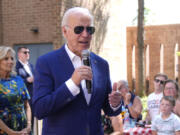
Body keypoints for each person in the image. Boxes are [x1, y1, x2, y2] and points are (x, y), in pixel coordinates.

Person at [32, 7, 122, 135]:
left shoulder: (101, 64)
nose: (85, 34)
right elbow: (39, 109)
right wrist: (72, 84)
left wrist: (115, 103)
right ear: (65, 31)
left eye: (89, 29)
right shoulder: (46, 62)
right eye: (79, 29)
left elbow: (109, 109)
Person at [0, 46, 31, 134]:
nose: (10, 61)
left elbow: (27, 106)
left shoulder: (18, 79)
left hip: (23, 130)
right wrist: (11, 132)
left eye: (12, 58)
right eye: (6, 58)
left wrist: (29, 126)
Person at [16, 46, 34, 131]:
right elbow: (15, 80)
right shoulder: (16, 66)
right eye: (25, 52)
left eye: (28, 52)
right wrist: (27, 80)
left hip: (33, 96)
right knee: (24, 123)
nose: (27, 54)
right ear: (19, 54)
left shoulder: (31, 65)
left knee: (32, 122)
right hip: (22, 99)